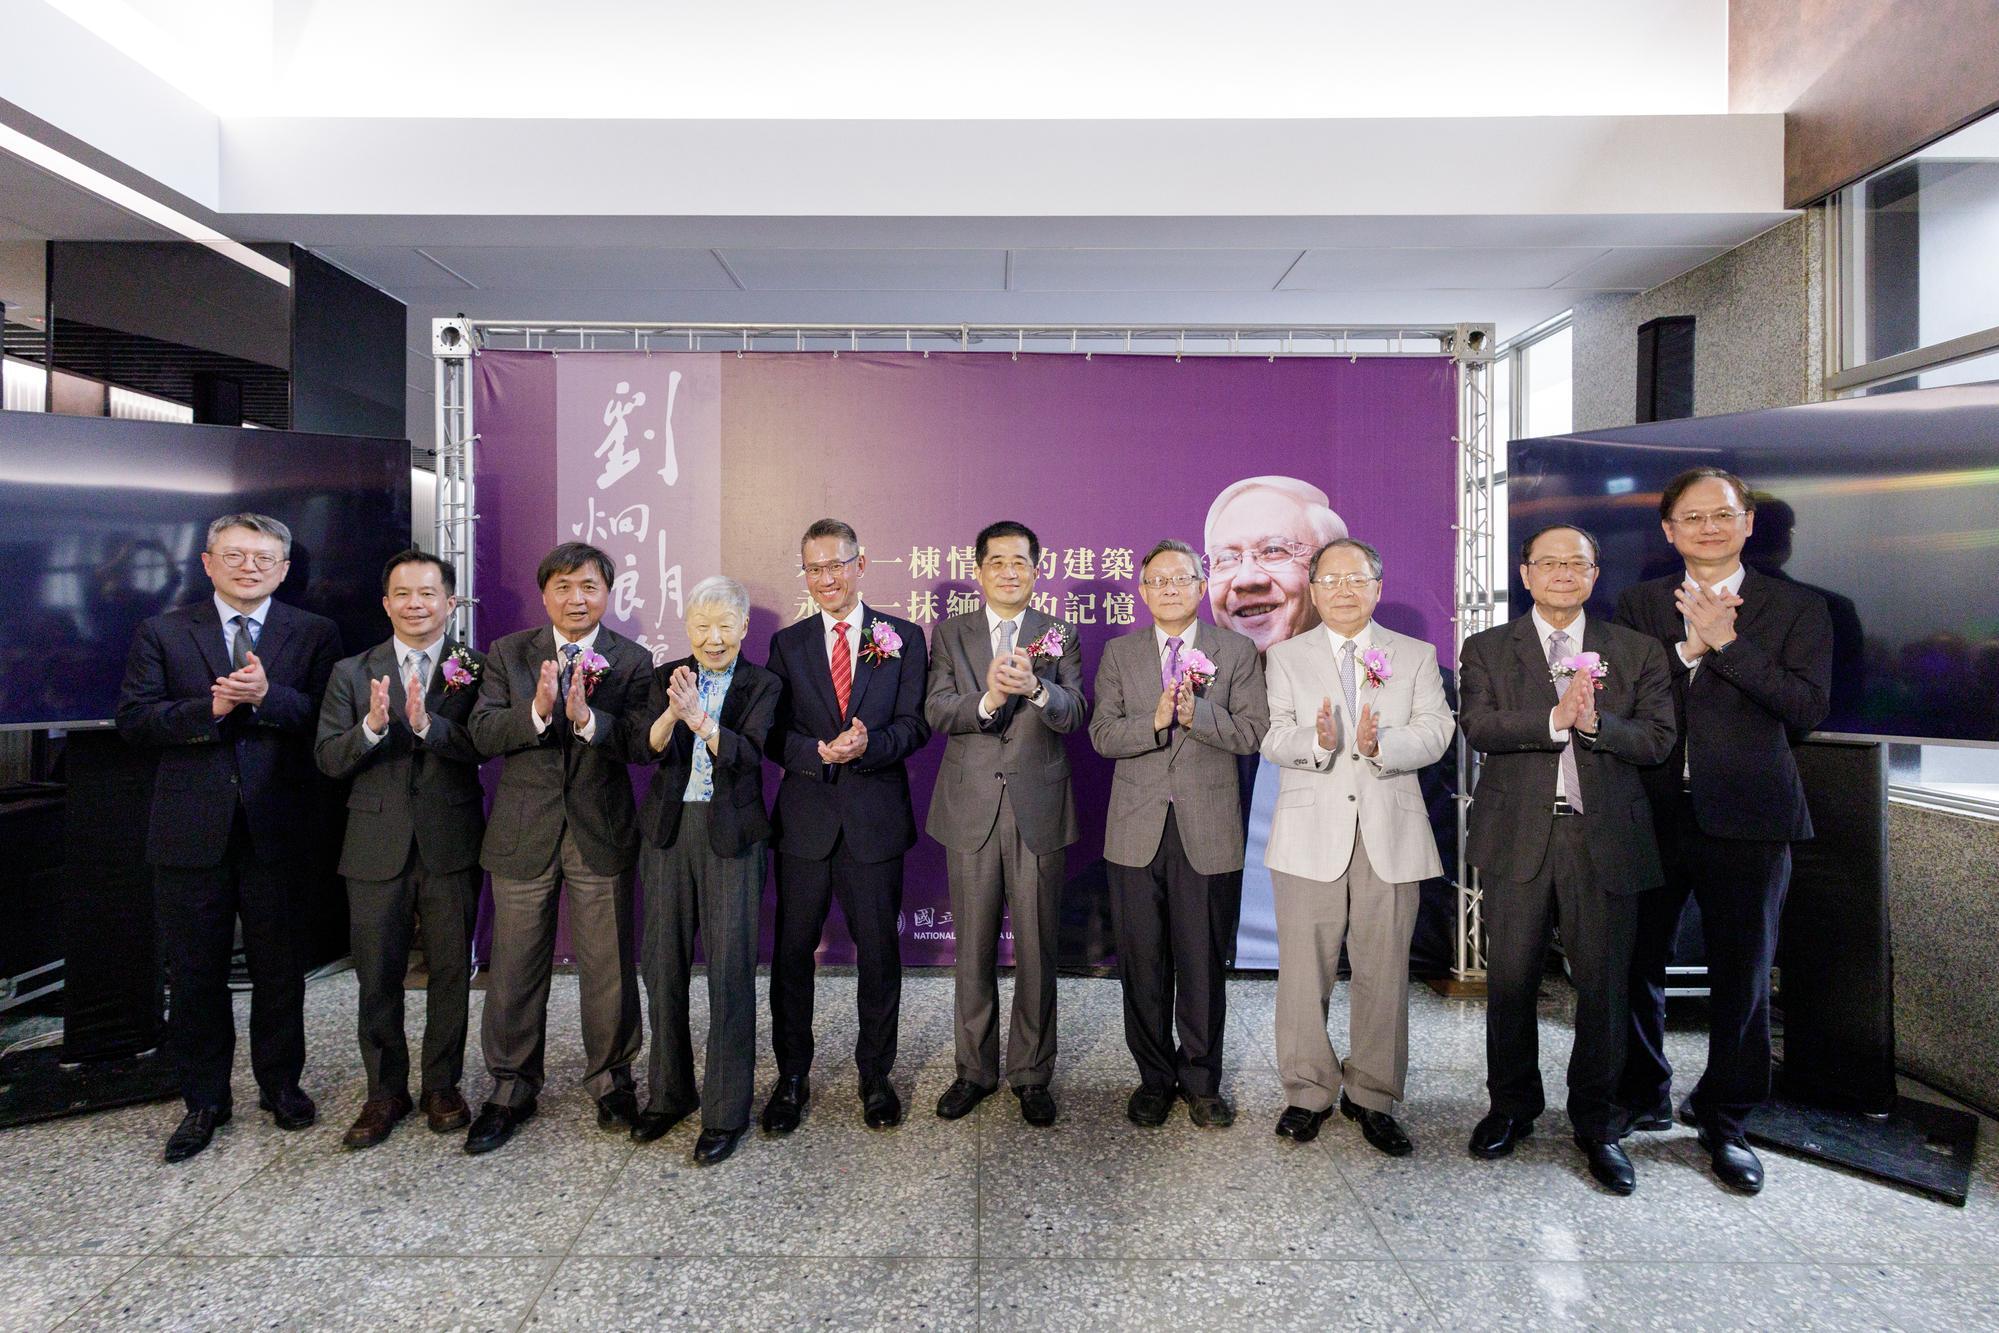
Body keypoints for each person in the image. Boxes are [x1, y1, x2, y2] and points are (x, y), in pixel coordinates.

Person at [1616, 467, 1833, 1194]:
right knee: (1632, 959)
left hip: (1750, 815)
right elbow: (1627, 701)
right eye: (1692, 517)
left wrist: (1727, 644)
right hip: (1650, 812)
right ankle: (1641, 1093)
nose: (1708, 527)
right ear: (1668, 530)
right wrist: (1686, 651)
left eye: (1723, 514)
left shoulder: (1801, 607)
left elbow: (1804, 707)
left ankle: (1725, 1117)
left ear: (1746, 524)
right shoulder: (1640, 604)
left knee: (1742, 972)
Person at [115, 513, 342, 1162]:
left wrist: (270, 697)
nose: (250, 566)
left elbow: (331, 716)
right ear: (209, 562)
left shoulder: (315, 631)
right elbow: (133, 720)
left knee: (279, 971)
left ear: (284, 567)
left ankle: (281, 1086)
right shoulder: (161, 630)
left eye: (264, 557)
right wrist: (209, 710)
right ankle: (204, 1100)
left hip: (280, 829)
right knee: (194, 974)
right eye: (236, 555)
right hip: (190, 832)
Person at [1458, 524, 1674, 1195]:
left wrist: (1596, 726)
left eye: (1574, 562)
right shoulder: (1487, 648)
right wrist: (1553, 719)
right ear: (1524, 573)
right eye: (1546, 562)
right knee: (1513, 981)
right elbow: (1479, 725)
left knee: (1605, 986)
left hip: (1602, 836)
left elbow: (1658, 739)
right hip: (1516, 834)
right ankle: (1511, 1105)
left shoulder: (1633, 650)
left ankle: (1597, 1121)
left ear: (1593, 572)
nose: (1560, 572)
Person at [1260, 538, 1452, 1156]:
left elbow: (1437, 731)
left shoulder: (1415, 655)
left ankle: (1372, 1095)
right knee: (1303, 974)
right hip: (1309, 834)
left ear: (1376, 586)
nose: (1344, 590)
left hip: (1390, 833)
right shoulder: (1286, 656)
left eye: (1357, 579)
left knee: (1384, 970)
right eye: (1331, 580)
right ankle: (1307, 1090)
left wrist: (1377, 746)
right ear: (1313, 590)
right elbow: (1272, 734)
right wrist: (1318, 744)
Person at [463, 542, 653, 1154]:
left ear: (608, 593)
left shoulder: (632, 659)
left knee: (610, 966)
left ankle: (612, 1078)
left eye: (590, 587)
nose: (577, 598)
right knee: (515, 966)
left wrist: (591, 721)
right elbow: (483, 733)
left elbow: (642, 745)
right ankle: (511, 1086)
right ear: (545, 592)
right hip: (524, 832)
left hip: (601, 829)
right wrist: (539, 711)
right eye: (565, 586)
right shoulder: (508, 653)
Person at [1089, 540, 1267, 1128]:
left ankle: (1202, 1081)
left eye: (1181, 578)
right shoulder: (1119, 653)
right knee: (1141, 962)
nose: (1169, 587)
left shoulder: (1235, 651)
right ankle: (1153, 1078)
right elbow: (1104, 736)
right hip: (1135, 830)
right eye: (1157, 579)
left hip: (1208, 829)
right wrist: (1158, 720)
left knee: (1201, 961)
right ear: (1142, 591)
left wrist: (1198, 716)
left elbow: (1252, 733)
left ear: (1201, 585)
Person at [762, 519, 932, 1133]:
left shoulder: (904, 637)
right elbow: (772, 733)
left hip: (874, 821)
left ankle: (875, 1076)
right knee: (790, 955)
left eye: (837, 565)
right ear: (804, 573)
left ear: (862, 565)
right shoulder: (789, 644)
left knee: (880, 954)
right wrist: (816, 755)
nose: (826, 578)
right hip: (806, 822)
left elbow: (917, 724)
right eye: (814, 568)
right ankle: (792, 1078)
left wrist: (869, 745)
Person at [314, 549, 488, 1149]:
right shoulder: (351, 671)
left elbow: (484, 745)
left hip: (452, 839)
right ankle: (384, 1091)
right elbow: (328, 758)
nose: (417, 604)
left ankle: (443, 1083)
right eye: (403, 594)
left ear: (450, 601)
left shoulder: (474, 667)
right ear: (386, 602)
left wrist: (427, 727)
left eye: (429, 593)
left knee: (449, 972)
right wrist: (371, 728)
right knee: (378, 975)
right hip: (374, 843)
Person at [924, 521, 1086, 1128]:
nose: (1010, 572)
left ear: (1037, 570)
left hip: (1039, 807)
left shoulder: (1058, 634)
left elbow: (1076, 712)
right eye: (998, 563)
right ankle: (974, 1071)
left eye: (1021, 562)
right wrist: (990, 700)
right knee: (971, 947)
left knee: (1039, 947)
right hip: (970, 807)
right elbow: (937, 709)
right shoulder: (952, 634)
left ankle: (1031, 1073)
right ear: (980, 570)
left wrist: (1039, 690)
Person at [619, 576, 780, 1167]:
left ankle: (724, 1110)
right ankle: (669, 1094)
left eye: (725, 627)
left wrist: (705, 723)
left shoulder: (763, 683)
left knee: (730, 973)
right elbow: (642, 748)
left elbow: (751, 753)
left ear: (743, 629)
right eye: (702, 626)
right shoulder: (666, 676)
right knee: (661, 967)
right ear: (687, 628)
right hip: (666, 833)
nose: (713, 639)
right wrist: (672, 713)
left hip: (730, 835)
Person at [1203, 476, 1350, 971]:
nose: (1246, 578)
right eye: (1225, 558)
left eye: (1273, 551)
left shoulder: (1401, 680)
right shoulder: (1189, 694)